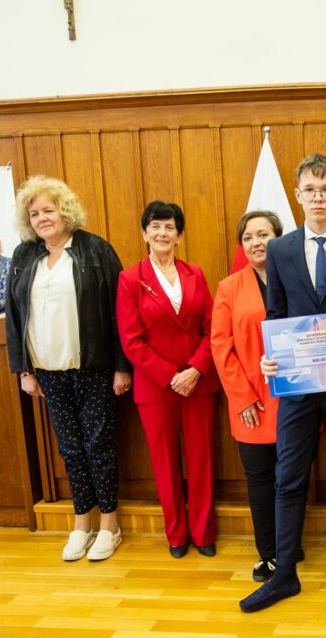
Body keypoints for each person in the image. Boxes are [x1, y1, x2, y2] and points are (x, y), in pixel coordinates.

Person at [239, 153, 326, 613]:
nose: (318, 197)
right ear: (298, 195)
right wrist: (269, 356)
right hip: (298, 383)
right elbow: (276, 314)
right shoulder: (280, 250)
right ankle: (284, 573)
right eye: (310, 189)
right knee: (288, 475)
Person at [5, 175, 132, 562]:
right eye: (35, 212)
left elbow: (119, 313)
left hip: (92, 367)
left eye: (49, 209)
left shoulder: (96, 250)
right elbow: (14, 315)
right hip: (47, 370)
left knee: (99, 446)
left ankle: (109, 524)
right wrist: (24, 370)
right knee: (71, 449)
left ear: (65, 211)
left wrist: (121, 367)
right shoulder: (25, 256)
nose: (43, 217)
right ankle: (82, 522)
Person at [117, 200, 220, 559]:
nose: (163, 233)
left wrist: (195, 369)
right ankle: (176, 535)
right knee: (165, 462)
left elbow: (212, 329)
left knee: (201, 459)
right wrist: (171, 376)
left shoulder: (197, 273)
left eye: (169, 227)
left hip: (199, 382)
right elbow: (131, 340)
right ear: (144, 233)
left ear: (179, 235)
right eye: (155, 226)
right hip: (156, 386)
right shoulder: (130, 279)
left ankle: (204, 532)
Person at [211, 210, 297, 581]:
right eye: (248, 237)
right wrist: (242, 397)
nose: (256, 242)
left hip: (294, 399)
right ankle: (269, 552)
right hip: (251, 403)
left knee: (293, 477)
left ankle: (290, 545)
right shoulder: (229, 287)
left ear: (279, 238)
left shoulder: (297, 280)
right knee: (261, 479)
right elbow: (220, 346)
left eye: (264, 234)